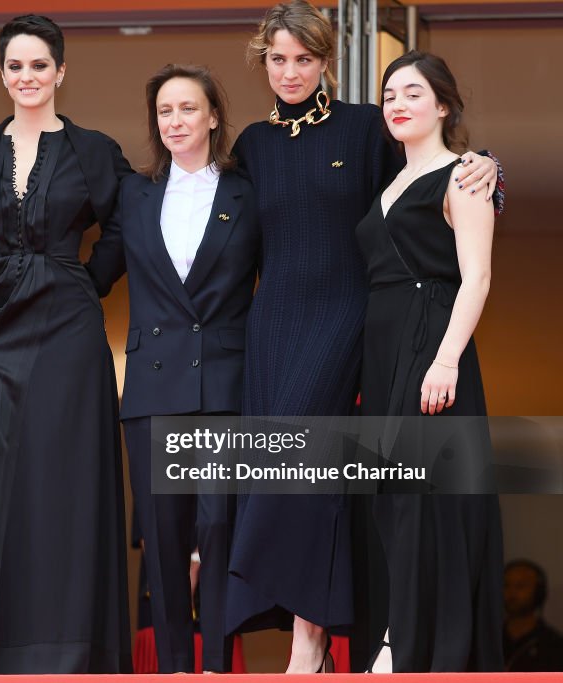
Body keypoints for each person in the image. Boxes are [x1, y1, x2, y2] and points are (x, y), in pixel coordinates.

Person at [223, 2, 502, 673]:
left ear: (326, 61)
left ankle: (310, 642)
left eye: (305, 59)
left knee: (308, 468)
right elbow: (226, 236)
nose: (290, 72)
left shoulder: (365, 127)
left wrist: (490, 168)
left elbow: (431, 181)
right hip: (275, 323)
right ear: (264, 59)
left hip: (347, 318)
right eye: (278, 58)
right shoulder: (253, 146)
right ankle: (322, 636)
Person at [0, 14, 132, 674]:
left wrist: (83, 280)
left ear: (61, 72)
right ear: (1, 75)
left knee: (64, 486)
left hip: (70, 331)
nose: (27, 77)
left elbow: (126, 227)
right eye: (15, 66)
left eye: (39, 65)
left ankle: (68, 651)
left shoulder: (96, 149)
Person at [86, 64, 259, 673]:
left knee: (218, 527)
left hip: (226, 381)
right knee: (161, 539)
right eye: (165, 111)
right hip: (155, 385)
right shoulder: (134, 193)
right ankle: (173, 668)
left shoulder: (248, 190)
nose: (175, 121)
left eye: (188, 108)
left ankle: (215, 664)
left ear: (214, 116)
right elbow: (96, 273)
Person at [356, 50, 502, 672]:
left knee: (425, 498)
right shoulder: (385, 182)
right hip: (384, 344)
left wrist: (445, 360)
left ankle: (420, 647)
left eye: (412, 93)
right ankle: (395, 633)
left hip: (433, 339)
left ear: (442, 105)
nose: (397, 104)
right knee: (388, 495)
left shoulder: (465, 175)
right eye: (389, 94)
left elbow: (478, 278)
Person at [504, 559, 563, 671]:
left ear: (538, 592)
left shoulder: (554, 646)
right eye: (506, 585)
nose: (511, 593)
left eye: (520, 586)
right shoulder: (488, 640)